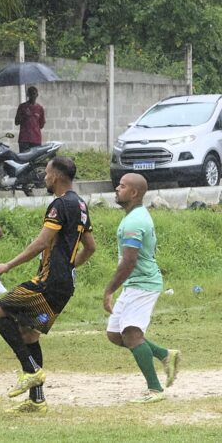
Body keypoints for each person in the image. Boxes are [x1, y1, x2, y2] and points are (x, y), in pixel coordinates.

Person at [0, 156, 95, 413]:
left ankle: (30, 370)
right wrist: (69, 267)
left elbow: (41, 243)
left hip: (49, 281)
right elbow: (90, 247)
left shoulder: (59, 204)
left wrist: (8, 265)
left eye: (47, 173)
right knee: (29, 334)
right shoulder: (80, 204)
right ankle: (37, 401)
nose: (44, 178)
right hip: (64, 283)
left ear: (57, 176)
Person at [103, 173, 181, 404]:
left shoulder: (135, 221)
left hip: (143, 284)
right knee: (116, 335)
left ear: (134, 193)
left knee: (132, 335)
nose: (117, 188)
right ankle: (166, 355)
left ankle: (154, 390)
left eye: (122, 186)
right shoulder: (133, 216)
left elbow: (129, 262)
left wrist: (109, 290)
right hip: (135, 284)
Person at [15, 86, 46, 152]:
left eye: (34, 93)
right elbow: (16, 122)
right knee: (24, 159)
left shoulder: (40, 108)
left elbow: (41, 125)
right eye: (30, 93)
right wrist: (24, 116)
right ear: (27, 95)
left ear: (37, 95)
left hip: (36, 139)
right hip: (24, 139)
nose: (32, 96)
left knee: (36, 160)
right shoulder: (22, 107)